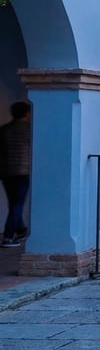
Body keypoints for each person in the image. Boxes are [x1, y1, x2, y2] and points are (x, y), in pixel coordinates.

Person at [1, 102, 31, 248]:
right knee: (17, 204)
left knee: (13, 203)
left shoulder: (5, 130)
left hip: (7, 172)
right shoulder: (29, 130)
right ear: (26, 113)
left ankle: (20, 229)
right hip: (23, 172)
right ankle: (8, 237)